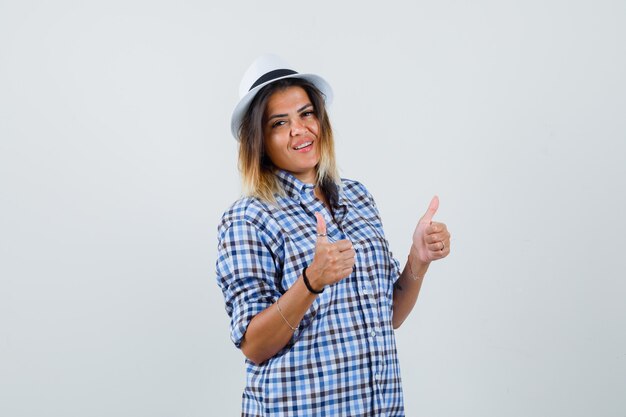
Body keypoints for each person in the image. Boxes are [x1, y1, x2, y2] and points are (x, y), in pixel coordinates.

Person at [216, 54, 451, 416]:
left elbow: (387, 317)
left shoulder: (357, 197)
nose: (299, 129)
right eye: (279, 122)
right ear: (258, 139)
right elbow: (253, 344)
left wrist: (418, 259)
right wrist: (311, 282)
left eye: (306, 113)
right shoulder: (249, 217)